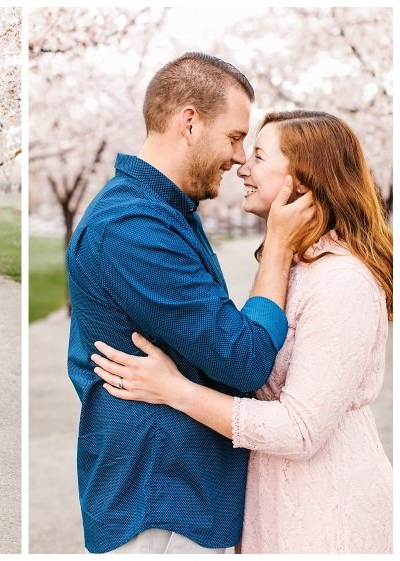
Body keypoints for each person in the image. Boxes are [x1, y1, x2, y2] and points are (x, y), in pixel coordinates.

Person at [91, 110, 393, 554]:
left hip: (329, 510)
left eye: (258, 156)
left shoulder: (341, 282)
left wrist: (175, 390)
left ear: (302, 182)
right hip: (275, 504)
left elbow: (301, 429)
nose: (242, 167)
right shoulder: (293, 267)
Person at [66, 52, 314, 554]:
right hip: (161, 501)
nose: (240, 157)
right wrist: (280, 249)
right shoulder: (134, 226)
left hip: (180, 493)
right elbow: (242, 359)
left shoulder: (168, 209)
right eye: (234, 136)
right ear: (189, 122)